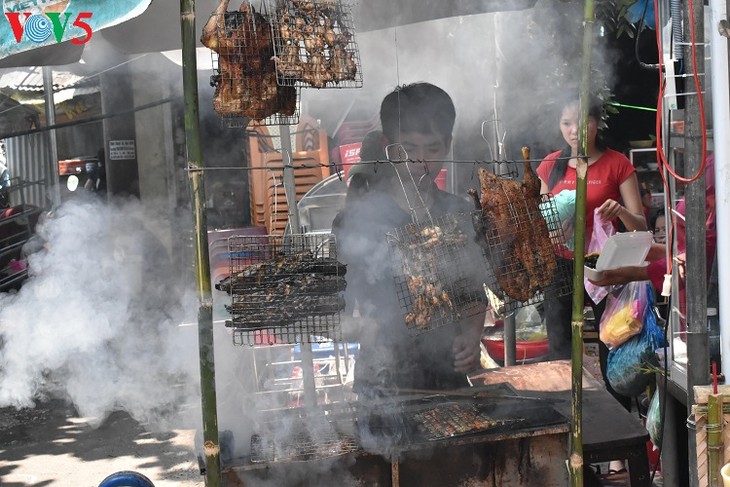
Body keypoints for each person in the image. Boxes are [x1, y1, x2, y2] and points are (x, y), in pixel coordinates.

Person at [332, 82, 486, 398]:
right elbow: (334, 317)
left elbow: (472, 294)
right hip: (381, 384)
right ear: (389, 147)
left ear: (448, 145)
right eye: (409, 149)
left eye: (432, 149)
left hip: (448, 383)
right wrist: (368, 329)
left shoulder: (458, 212)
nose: (421, 162)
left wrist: (472, 336)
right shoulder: (356, 221)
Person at [536, 93, 647, 413]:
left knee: (612, 345)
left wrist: (620, 212)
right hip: (560, 267)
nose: (574, 131)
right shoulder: (550, 166)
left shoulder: (617, 164)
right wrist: (556, 227)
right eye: (566, 123)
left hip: (606, 268)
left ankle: (618, 431)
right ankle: (566, 426)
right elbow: (543, 220)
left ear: (596, 123)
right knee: (559, 349)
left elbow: (640, 227)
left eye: (582, 122)